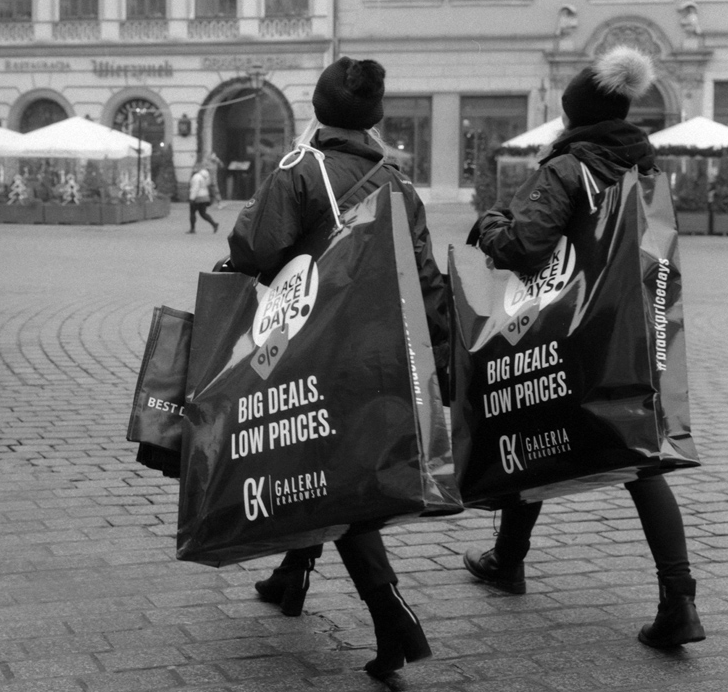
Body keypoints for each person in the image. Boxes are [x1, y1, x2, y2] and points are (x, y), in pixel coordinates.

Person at [462, 46, 705, 649]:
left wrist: (490, 223)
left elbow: (524, 247)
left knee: (528, 422)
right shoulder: (645, 170)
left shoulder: (569, 168)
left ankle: (508, 560)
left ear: (575, 116)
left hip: (572, 334)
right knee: (642, 458)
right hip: (636, 330)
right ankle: (679, 602)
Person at [226, 56, 449, 679]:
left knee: (334, 476)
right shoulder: (399, 179)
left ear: (320, 110)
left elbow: (251, 246)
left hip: (318, 344)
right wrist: (438, 356)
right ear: (373, 117)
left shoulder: (303, 168)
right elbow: (425, 274)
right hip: (387, 347)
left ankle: (393, 617)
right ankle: (292, 575)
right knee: (324, 460)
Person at [187, 163, 219, 234]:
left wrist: (192, 198)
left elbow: (195, 188)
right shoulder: (205, 176)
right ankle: (214, 224)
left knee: (192, 213)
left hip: (197, 197)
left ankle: (192, 229)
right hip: (205, 197)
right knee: (203, 213)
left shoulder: (196, 177)